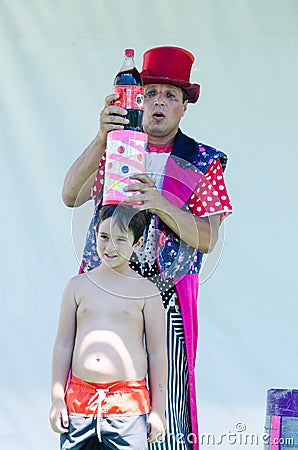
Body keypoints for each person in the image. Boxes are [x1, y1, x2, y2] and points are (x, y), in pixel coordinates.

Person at [62, 46, 233, 450]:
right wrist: (102, 135)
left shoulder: (203, 161)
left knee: (166, 411)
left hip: (168, 301)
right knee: (96, 392)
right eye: (151, 93)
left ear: (184, 107)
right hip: (105, 295)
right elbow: (70, 194)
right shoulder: (116, 145)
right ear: (138, 99)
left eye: (170, 95)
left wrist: (161, 204)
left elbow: (208, 237)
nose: (158, 102)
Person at [49, 204, 167, 450]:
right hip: (79, 408)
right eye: (104, 237)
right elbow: (63, 345)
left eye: (120, 240)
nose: (109, 247)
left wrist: (158, 410)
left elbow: (157, 354)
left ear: (138, 243)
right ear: (94, 234)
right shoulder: (77, 286)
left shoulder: (147, 291)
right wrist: (57, 399)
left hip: (128, 409)